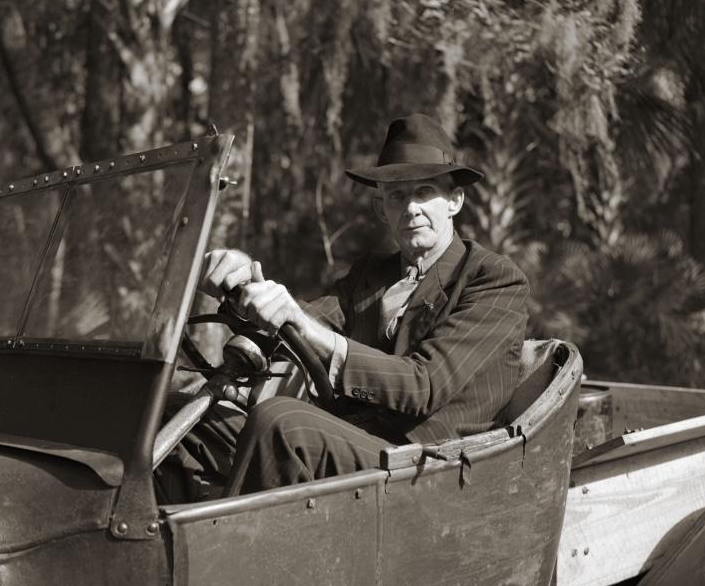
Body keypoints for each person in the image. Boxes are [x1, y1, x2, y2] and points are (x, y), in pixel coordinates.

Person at [171, 112, 529, 497]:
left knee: (281, 422)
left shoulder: (493, 279)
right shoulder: (370, 276)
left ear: (454, 201)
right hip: (359, 445)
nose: (410, 208)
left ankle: (240, 552)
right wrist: (243, 284)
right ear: (382, 210)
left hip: (430, 469)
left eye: (424, 192)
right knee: (178, 412)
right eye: (396, 195)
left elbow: (423, 386)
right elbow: (303, 319)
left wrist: (303, 325)